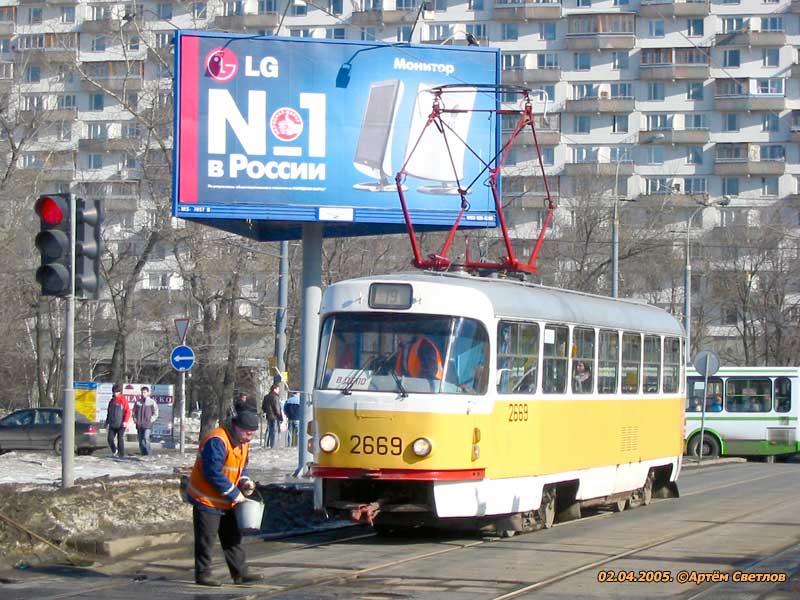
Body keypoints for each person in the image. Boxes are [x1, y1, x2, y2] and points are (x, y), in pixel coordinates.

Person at [186, 409, 263, 587]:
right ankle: (203, 574)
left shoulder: (243, 443)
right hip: (206, 498)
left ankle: (240, 573)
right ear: (236, 427)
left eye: (252, 434)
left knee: (233, 538)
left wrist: (244, 482)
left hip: (226, 499)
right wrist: (234, 493)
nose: (249, 437)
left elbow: (241, 467)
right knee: (207, 538)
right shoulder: (217, 440)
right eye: (247, 433)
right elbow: (212, 472)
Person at [105, 383, 131, 458]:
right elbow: (109, 412)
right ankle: (114, 450)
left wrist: (125, 421)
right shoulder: (111, 401)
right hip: (112, 423)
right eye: (114, 392)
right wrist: (107, 422)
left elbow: (128, 412)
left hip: (121, 424)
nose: (115, 394)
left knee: (120, 439)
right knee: (109, 439)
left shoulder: (123, 400)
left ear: (119, 392)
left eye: (116, 392)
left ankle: (121, 454)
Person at [133, 385, 159, 456]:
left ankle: (149, 454)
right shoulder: (138, 402)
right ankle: (143, 454)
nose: (143, 394)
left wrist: (151, 420)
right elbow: (134, 412)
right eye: (142, 392)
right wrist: (135, 420)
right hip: (139, 424)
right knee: (141, 441)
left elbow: (156, 413)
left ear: (148, 393)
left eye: (144, 392)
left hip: (147, 424)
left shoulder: (151, 402)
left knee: (146, 438)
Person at [261, 384, 283, 449]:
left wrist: (266, 412)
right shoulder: (275, 397)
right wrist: (280, 417)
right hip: (275, 417)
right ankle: (274, 446)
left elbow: (263, 407)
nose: (279, 390)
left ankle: (267, 444)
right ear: (274, 389)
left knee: (269, 431)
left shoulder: (266, 397)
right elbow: (277, 408)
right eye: (278, 389)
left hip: (268, 416)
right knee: (275, 431)